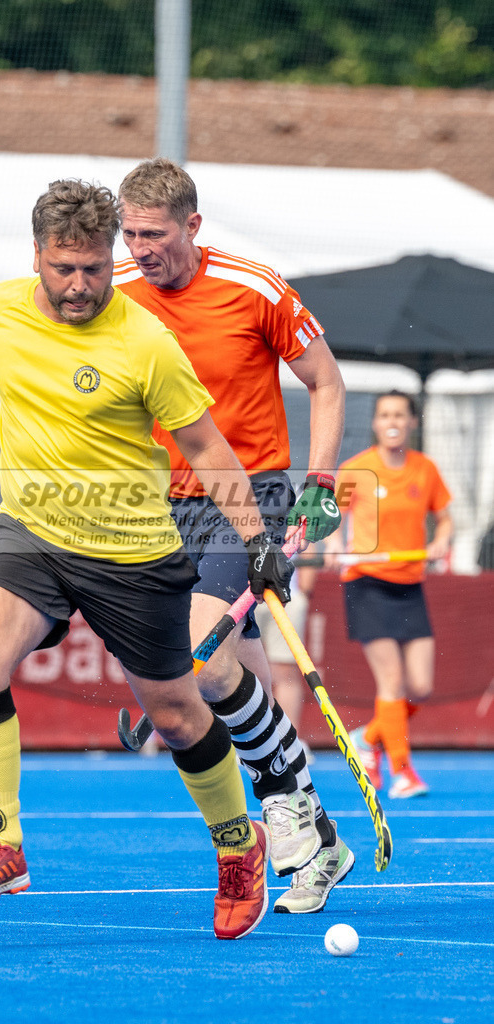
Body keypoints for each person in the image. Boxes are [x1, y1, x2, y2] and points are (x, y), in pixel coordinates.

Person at [0, 177, 297, 941]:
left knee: (179, 717)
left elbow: (210, 451)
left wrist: (256, 541)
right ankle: (2, 844)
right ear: (37, 257)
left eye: (92, 267)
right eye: (63, 268)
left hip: (132, 551)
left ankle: (238, 843)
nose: (80, 285)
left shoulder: (145, 341)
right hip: (33, 535)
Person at [114, 158, 352, 914]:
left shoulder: (255, 286)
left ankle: (281, 802)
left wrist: (318, 486)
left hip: (253, 497)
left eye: (153, 233)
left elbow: (327, 382)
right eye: (130, 232)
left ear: (192, 225)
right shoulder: (114, 294)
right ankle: (322, 837)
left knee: (208, 669)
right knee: (244, 687)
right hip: (161, 506)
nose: (140, 247)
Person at [331, 390, 453, 798]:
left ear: (413, 421)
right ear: (376, 423)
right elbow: (334, 516)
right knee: (393, 681)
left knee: (420, 686)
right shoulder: (356, 469)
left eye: (400, 414)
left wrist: (442, 542)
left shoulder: (425, 469)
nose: (392, 420)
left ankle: (370, 736)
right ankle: (404, 773)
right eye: (385, 414)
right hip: (366, 582)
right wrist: (333, 546)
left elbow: (446, 519)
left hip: (409, 583)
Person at [254, 564, 318, 763]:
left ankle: (289, 742)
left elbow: (308, 539)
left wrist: (303, 592)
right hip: (239, 597)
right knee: (240, 671)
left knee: (286, 674)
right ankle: (249, 743)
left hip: (286, 595)